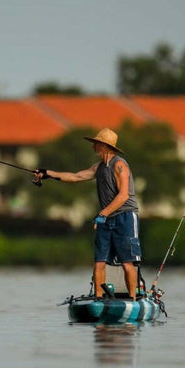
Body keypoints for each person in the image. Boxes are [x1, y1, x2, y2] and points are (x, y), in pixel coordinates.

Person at [34, 128, 142, 300]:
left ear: (104, 146)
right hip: (105, 218)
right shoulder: (98, 168)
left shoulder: (120, 165)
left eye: (96, 144)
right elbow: (75, 176)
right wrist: (48, 174)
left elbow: (123, 195)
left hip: (125, 217)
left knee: (127, 262)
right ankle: (99, 298)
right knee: (99, 262)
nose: (93, 147)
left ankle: (132, 299)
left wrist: (103, 213)